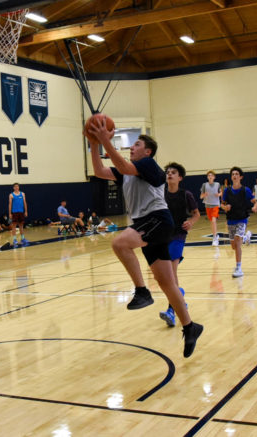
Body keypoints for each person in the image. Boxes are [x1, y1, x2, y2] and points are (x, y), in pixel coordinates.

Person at [86, 118, 203, 358]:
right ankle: (191, 327)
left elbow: (127, 167)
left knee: (119, 242)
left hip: (158, 219)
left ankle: (141, 291)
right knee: (167, 283)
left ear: (147, 151)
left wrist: (105, 140)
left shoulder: (150, 165)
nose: (132, 147)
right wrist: (93, 144)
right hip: (147, 223)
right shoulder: (126, 172)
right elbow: (99, 171)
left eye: (137, 144)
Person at [160, 162, 200, 328]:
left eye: (173, 172)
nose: (170, 174)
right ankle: (180, 295)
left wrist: (191, 222)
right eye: (168, 172)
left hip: (178, 236)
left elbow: (196, 214)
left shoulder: (186, 195)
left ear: (180, 177)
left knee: (171, 271)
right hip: (163, 237)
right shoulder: (161, 194)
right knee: (165, 275)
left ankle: (171, 310)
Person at [221, 167, 257, 278]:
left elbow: (254, 201)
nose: (234, 176)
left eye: (237, 174)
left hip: (242, 218)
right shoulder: (227, 190)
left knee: (237, 242)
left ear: (240, 177)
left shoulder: (245, 190)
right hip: (231, 219)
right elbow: (222, 204)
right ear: (231, 177)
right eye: (233, 174)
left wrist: (255, 206)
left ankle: (238, 268)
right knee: (234, 246)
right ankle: (246, 237)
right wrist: (225, 207)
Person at [200, 170, 222, 246]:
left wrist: (218, 195)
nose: (210, 176)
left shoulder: (217, 184)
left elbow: (221, 193)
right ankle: (216, 235)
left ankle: (215, 238)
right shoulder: (204, 185)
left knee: (213, 221)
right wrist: (204, 195)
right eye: (209, 175)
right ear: (207, 177)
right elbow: (201, 196)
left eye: (211, 175)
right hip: (207, 205)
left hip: (215, 205)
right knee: (211, 222)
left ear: (214, 177)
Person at [8, 183, 30, 247]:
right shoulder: (11, 195)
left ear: (18, 187)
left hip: (21, 212)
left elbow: (25, 202)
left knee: (21, 225)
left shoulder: (22, 194)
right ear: (13, 188)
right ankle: (15, 239)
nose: (16, 187)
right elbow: (10, 204)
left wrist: (26, 211)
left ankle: (23, 238)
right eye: (15, 186)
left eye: (17, 186)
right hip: (14, 212)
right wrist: (10, 213)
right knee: (14, 226)